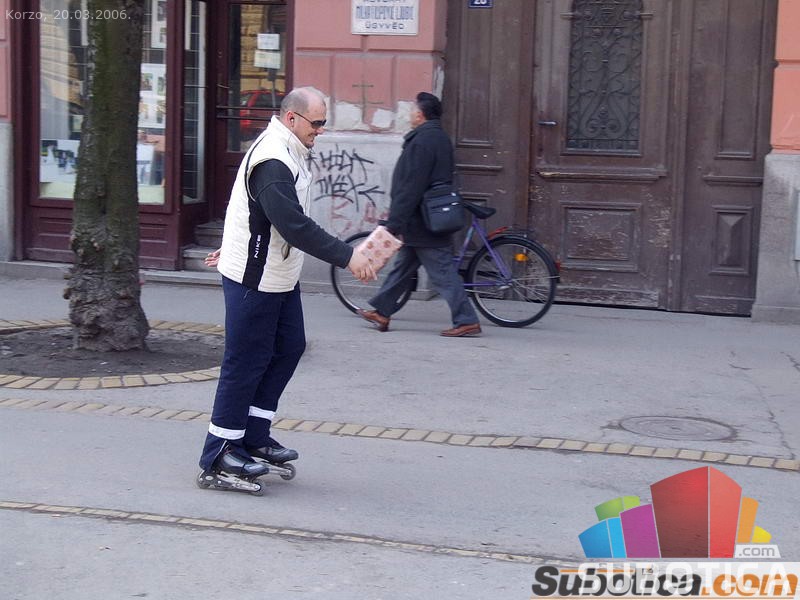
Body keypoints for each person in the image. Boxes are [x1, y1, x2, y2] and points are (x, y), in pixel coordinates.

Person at [197, 87, 376, 493]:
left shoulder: (289, 149)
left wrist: (233, 240)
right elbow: (293, 225)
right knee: (245, 361)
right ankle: (219, 452)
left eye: (324, 123)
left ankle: (253, 435)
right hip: (254, 278)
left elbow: (251, 209)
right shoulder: (274, 160)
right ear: (292, 118)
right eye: (317, 123)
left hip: (277, 274)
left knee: (288, 347)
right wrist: (348, 257)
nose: (321, 130)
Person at [357, 92, 482, 337]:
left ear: (420, 114)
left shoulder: (423, 141)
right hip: (425, 219)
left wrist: (395, 222)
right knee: (402, 268)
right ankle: (382, 312)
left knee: (442, 272)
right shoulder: (438, 137)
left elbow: (411, 186)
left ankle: (466, 319)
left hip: (423, 221)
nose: (409, 113)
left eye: (412, 109)